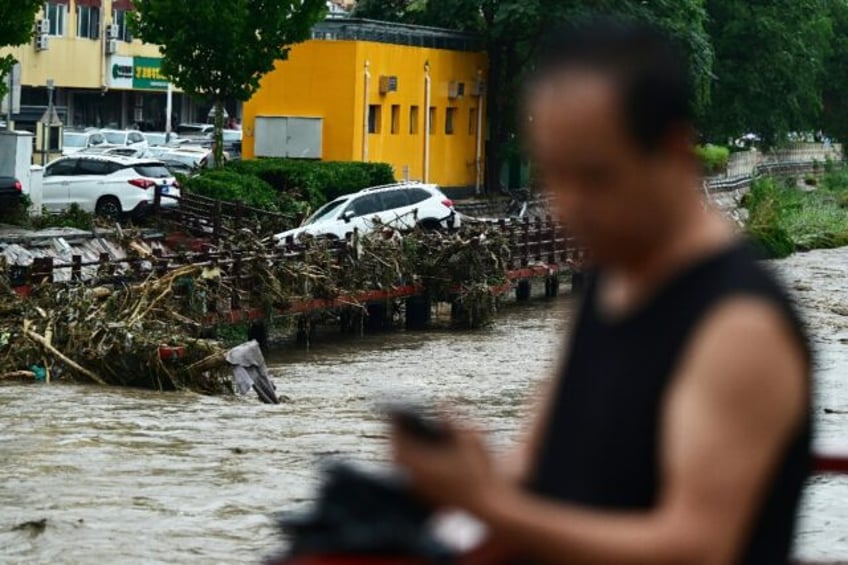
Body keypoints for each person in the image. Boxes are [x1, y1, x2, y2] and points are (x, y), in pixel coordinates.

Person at [391, 20, 811, 565]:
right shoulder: (611, 283)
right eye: (554, 176)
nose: (568, 206)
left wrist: (487, 503)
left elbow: (698, 548)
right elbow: (538, 466)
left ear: (673, 151)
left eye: (595, 177)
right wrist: (465, 473)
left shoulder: (740, 326)